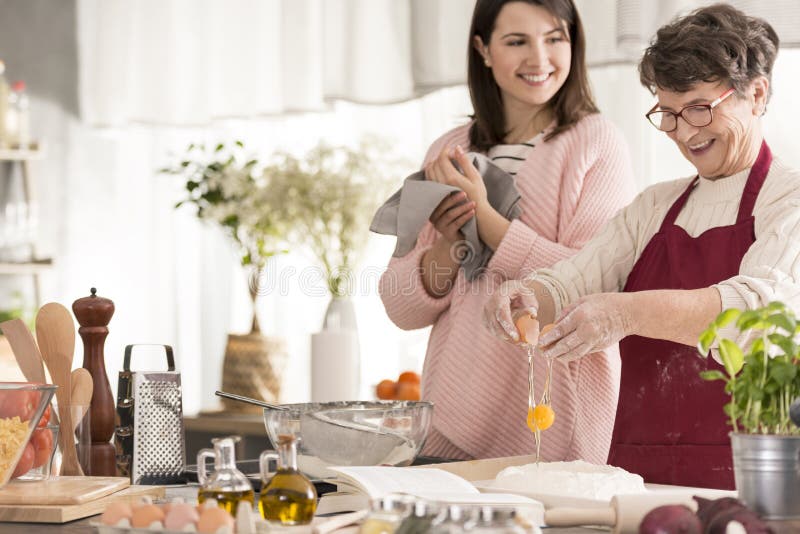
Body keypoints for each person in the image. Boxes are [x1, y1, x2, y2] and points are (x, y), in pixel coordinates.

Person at [485, 4, 798, 489]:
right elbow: (573, 280)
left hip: (752, 480)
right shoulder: (655, 206)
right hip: (636, 482)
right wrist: (530, 297)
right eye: (668, 114)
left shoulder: (789, 199)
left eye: (699, 108)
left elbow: (753, 310)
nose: (685, 132)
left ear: (756, 93)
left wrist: (626, 314)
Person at [378, 0, 636, 462]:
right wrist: (452, 241)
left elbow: (596, 280)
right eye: (517, 41)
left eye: (555, 38)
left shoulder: (597, 142)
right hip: (451, 420)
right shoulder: (449, 150)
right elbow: (401, 306)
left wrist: (487, 220)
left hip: (555, 422)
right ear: (483, 49)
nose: (539, 58)